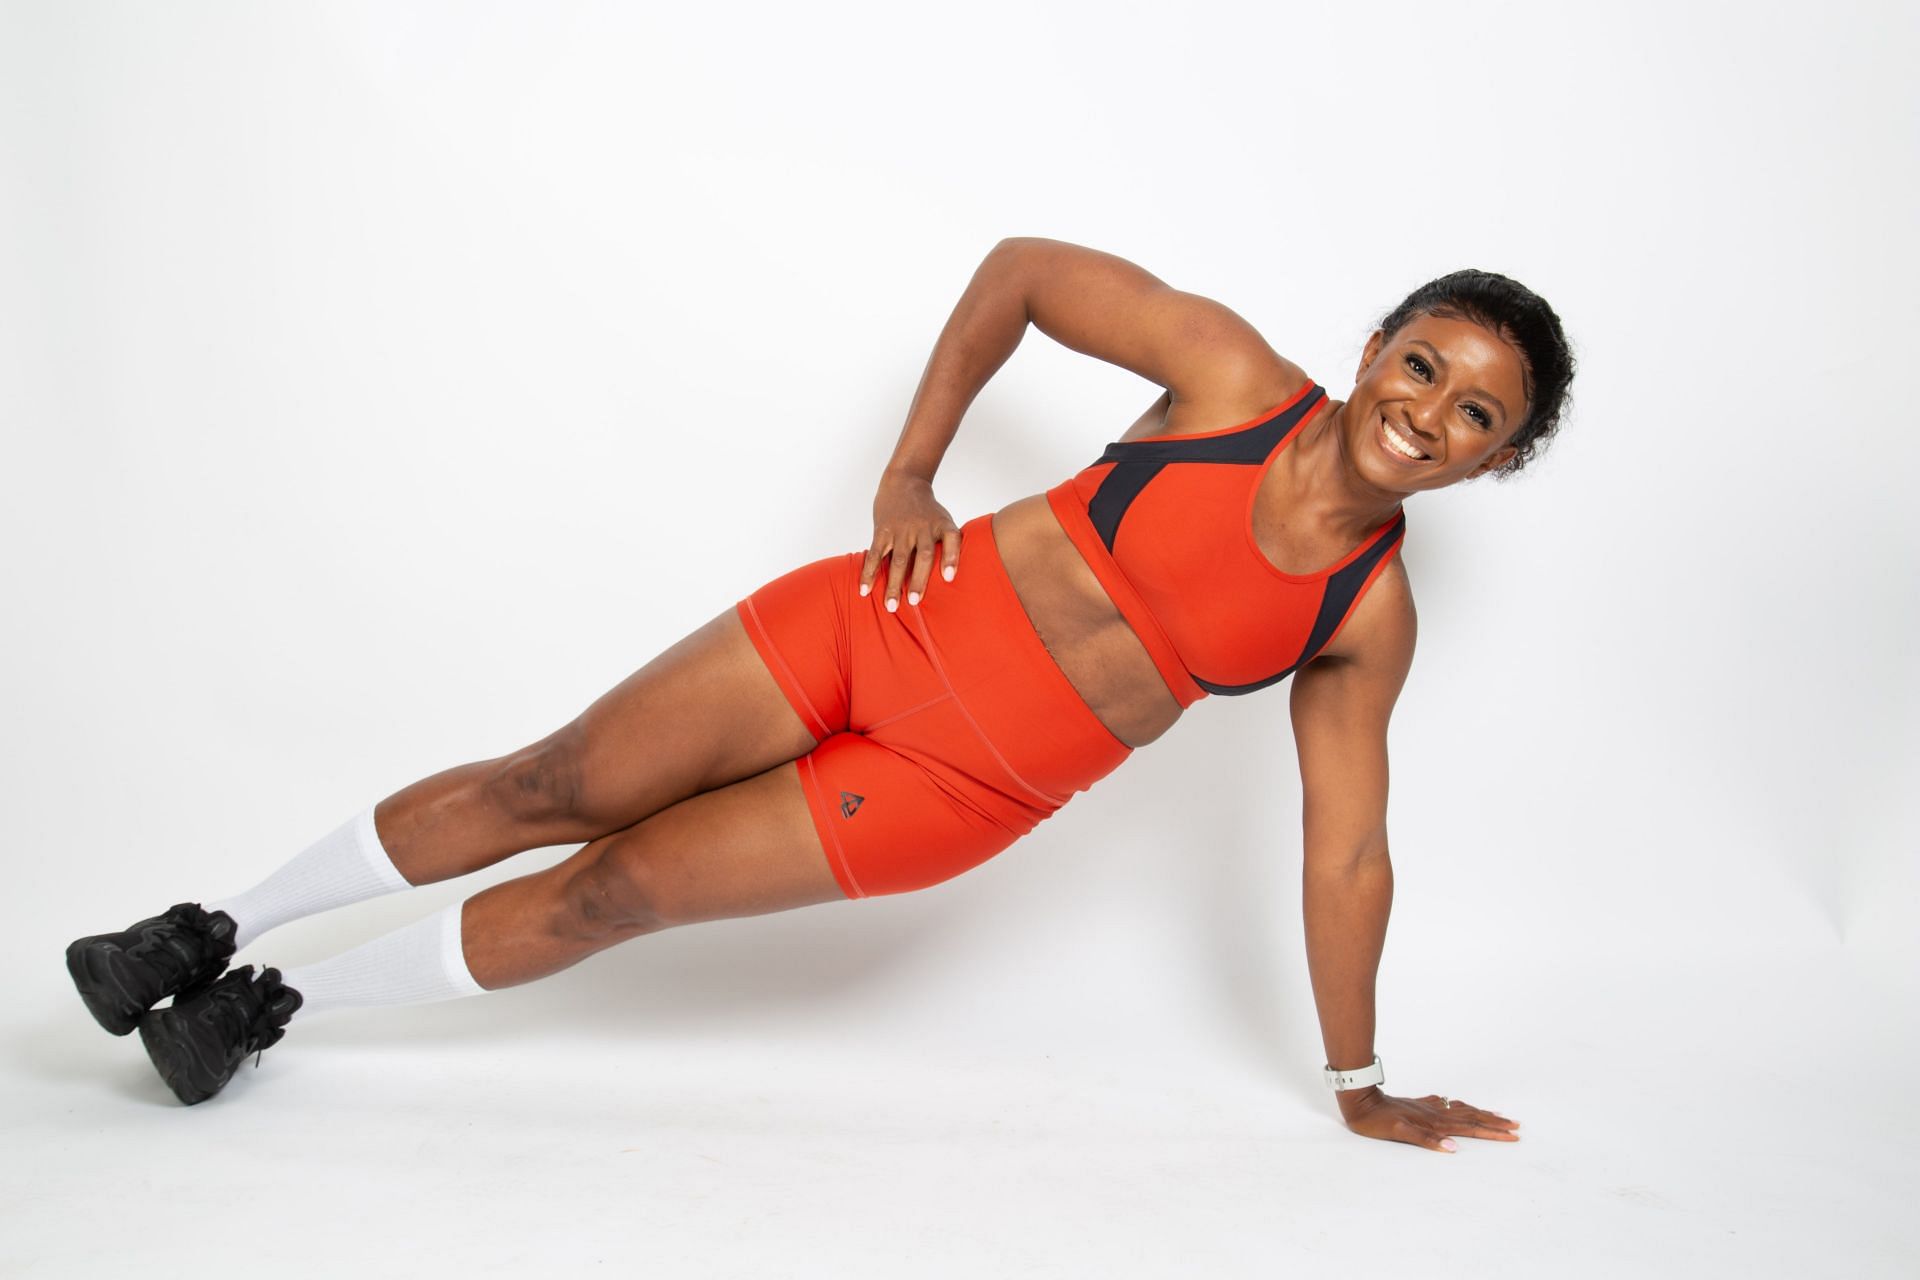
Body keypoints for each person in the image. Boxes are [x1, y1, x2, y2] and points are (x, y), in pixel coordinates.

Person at [66, 236, 1572, 1152]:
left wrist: (1361, 1080)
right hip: (878, 626)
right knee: (556, 785)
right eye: (1424, 364)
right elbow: (1025, 273)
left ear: (1497, 461)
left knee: (616, 894)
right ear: (1377, 343)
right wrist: (912, 470)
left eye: (1476, 415)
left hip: (954, 793)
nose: (1427, 414)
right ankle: (210, 930)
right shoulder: (1233, 377)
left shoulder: (1366, 615)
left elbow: (1347, 852)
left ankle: (261, 1013)